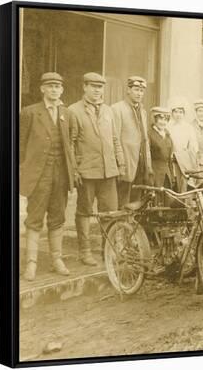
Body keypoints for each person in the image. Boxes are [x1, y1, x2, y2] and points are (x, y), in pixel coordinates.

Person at [19, 72, 76, 281]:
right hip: (38, 175)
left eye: (57, 86)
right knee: (34, 219)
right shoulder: (29, 113)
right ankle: (31, 263)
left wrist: (71, 173)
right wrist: (25, 171)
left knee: (57, 217)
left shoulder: (67, 114)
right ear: (42, 89)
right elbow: (19, 147)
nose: (54, 89)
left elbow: (69, 144)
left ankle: (56, 259)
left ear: (62, 90)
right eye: (50, 86)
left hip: (60, 175)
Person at [69, 72, 125, 267]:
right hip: (86, 170)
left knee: (110, 212)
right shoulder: (73, 111)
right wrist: (74, 170)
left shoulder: (109, 111)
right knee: (84, 211)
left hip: (109, 170)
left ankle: (108, 250)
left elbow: (115, 139)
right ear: (84, 87)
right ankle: (84, 252)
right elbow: (71, 143)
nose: (96, 90)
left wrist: (121, 163)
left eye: (100, 87)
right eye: (93, 86)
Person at [111, 76, 152, 208]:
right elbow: (114, 138)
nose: (139, 93)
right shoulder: (117, 109)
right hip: (126, 164)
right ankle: (120, 228)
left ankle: (132, 227)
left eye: (141, 90)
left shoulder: (143, 112)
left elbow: (145, 140)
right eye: (136, 89)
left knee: (137, 203)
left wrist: (148, 165)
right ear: (128, 90)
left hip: (140, 165)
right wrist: (120, 164)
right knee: (122, 202)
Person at [167, 98, 198, 192]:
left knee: (183, 184)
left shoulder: (188, 128)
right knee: (172, 184)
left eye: (180, 112)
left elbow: (193, 146)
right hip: (171, 160)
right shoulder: (168, 126)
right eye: (175, 112)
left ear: (184, 113)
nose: (178, 114)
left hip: (185, 161)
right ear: (172, 113)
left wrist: (186, 156)